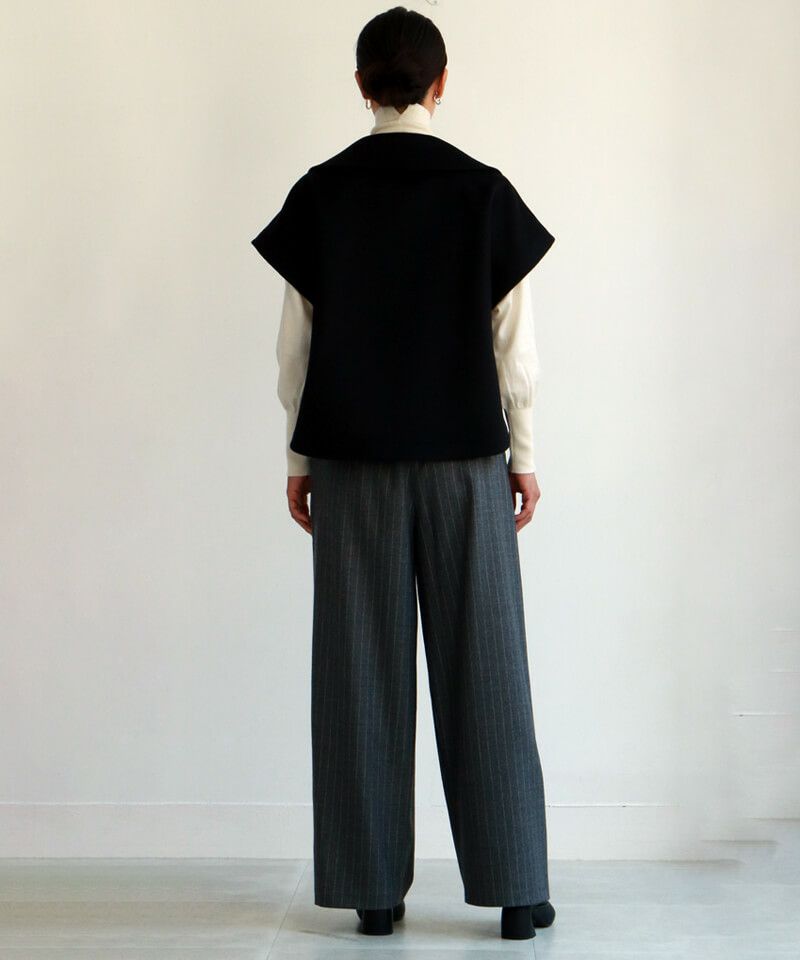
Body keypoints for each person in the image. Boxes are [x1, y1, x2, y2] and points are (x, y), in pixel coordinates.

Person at [251, 5, 557, 942]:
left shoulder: (323, 194)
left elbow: (295, 351)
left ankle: (373, 892)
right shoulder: (483, 193)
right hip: (466, 464)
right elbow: (515, 349)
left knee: (358, 674)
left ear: (360, 87)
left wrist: (299, 458)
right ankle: (516, 891)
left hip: (352, 466)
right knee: (488, 668)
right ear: (441, 82)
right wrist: (525, 455)